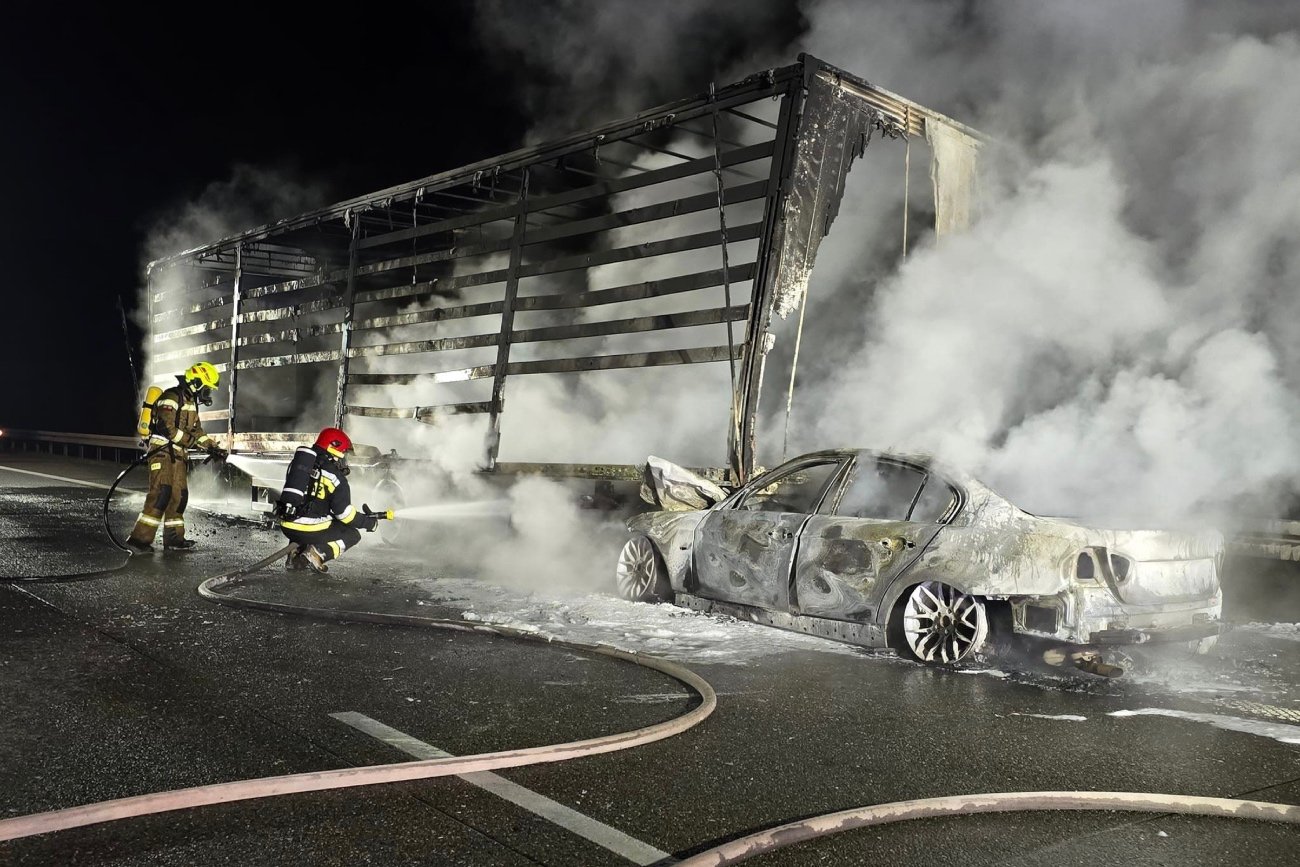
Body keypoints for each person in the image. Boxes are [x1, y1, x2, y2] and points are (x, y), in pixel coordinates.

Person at [126, 361, 228, 553]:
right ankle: (139, 540)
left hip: (179, 454)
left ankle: (173, 540)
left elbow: (197, 432)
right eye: (206, 387)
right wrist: (191, 442)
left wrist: (213, 448)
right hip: (162, 452)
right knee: (161, 494)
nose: (207, 392)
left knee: (179, 496)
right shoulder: (170, 397)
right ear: (197, 382)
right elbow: (167, 428)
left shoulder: (190, 404)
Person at [274, 427, 380, 573]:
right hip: (307, 529)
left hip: (287, 526)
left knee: (314, 518)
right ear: (333, 448)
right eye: (343, 453)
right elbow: (344, 515)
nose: (343, 458)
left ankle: (295, 556)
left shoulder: (301, 464)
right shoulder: (335, 476)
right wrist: (368, 523)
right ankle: (317, 553)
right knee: (352, 534)